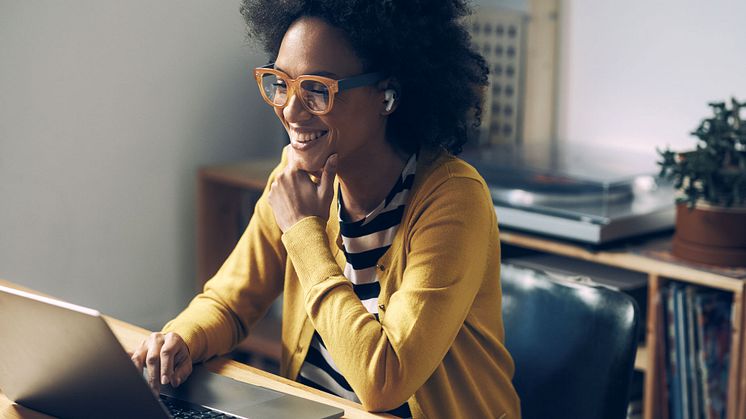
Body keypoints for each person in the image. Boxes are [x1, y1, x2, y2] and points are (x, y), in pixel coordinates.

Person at [131, 1, 520, 417]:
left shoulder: (453, 199)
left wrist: (304, 232)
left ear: (387, 95)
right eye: (281, 83)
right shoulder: (295, 174)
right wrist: (180, 340)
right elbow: (229, 302)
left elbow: (383, 381)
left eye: (317, 89)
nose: (291, 111)